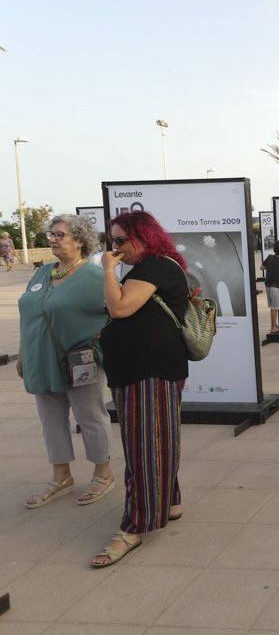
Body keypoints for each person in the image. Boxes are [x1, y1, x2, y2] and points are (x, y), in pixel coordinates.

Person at [92, 211, 189, 567]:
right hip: (144, 371)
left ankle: (135, 525)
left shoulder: (154, 267)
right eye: (110, 241)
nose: (114, 248)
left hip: (149, 372)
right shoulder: (153, 266)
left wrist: (106, 270)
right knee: (156, 439)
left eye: (119, 241)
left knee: (145, 448)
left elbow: (119, 308)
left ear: (143, 237)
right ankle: (170, 500)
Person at [17, 215, 114, 509]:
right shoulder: (43, 273)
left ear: (80, 240)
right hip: (40, 359)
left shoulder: (96, 277)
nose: (53, 239)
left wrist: (99, 346)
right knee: (51, 419)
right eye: (52, 234)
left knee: (90, 417)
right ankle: (61, 476)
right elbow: (30, 314)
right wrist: (23, 353)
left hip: (79, 361)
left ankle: (103, 474)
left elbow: (117, 313)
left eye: (60, 234)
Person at [261, 239, 279, 333]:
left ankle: (274, 324)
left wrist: (269, 267)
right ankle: (273, 327)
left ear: (274, 249)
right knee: (275, 307)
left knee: (273, 306)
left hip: (268, 285)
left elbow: (261, 267)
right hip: (277, 286)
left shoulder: (269, 257)